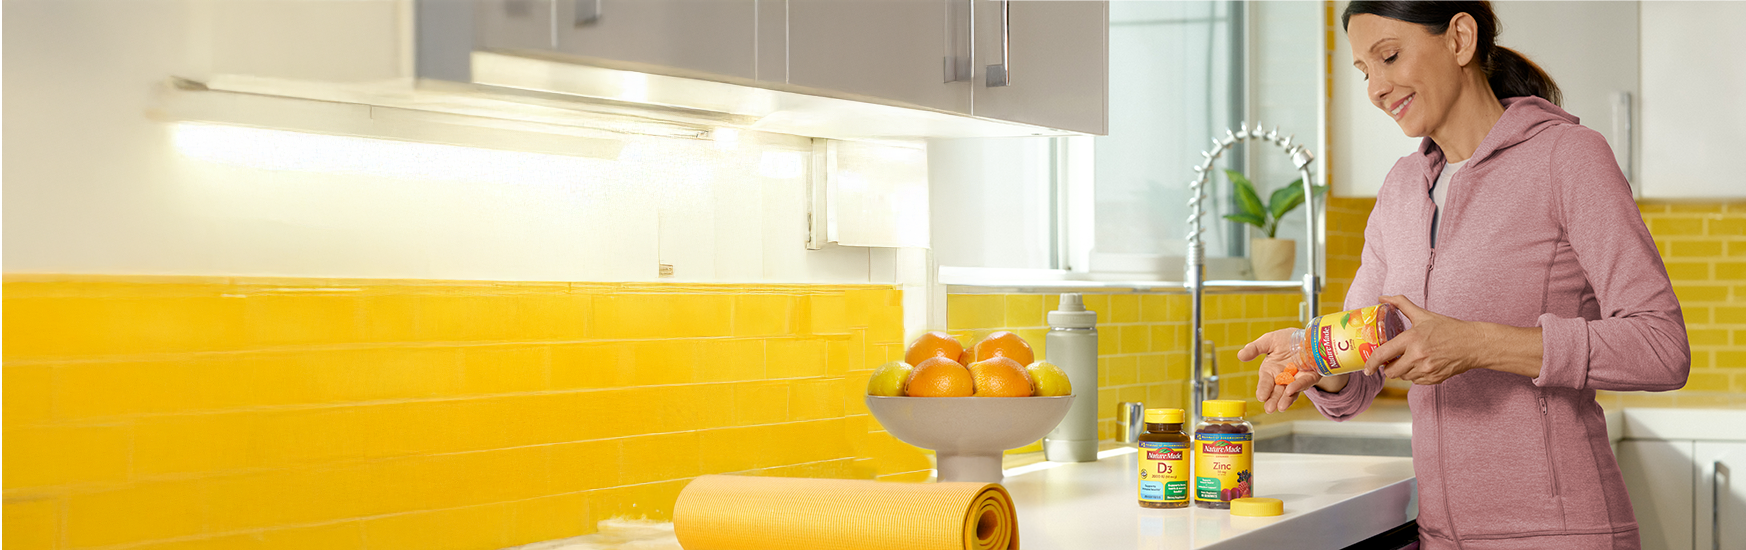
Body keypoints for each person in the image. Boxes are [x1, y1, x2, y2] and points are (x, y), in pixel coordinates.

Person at [1238, 2, 1690, 549]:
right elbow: (1359, 375)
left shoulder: (1568, 158)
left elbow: (1661, 347)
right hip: (1443, 537)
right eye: (1364, 71)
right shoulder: (1401, 189)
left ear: (1459, 38)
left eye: (1389, 56)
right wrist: (1313, 355)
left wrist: (1475, 344)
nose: (1376, 88)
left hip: (1561, 532)